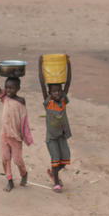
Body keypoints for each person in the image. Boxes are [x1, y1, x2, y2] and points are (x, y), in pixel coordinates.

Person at [0, 63, 32, 191]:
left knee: (17, 160)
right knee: (5, 158)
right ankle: (9, 180)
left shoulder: (21, 101)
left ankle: (24, 174)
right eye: (7, 88)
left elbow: (24, 120)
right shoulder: (4, 98)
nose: (8, 91)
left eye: (12, 88)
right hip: (5, 134)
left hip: (16, 137)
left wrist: (26, 136)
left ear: (18, 88)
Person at [37, 54, 73, 192]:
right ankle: (56, 183)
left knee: (65, 159)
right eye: (54, 91)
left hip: (62, 135)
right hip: (51, 138)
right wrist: (40, 64)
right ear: (50, 93)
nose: (57, 93)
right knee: (55, 159)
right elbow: (41, 82)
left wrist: (68, 64)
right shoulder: (48, 102)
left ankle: (54, 174)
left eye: (59, 91)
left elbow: (68, 81)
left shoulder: (63, 100)